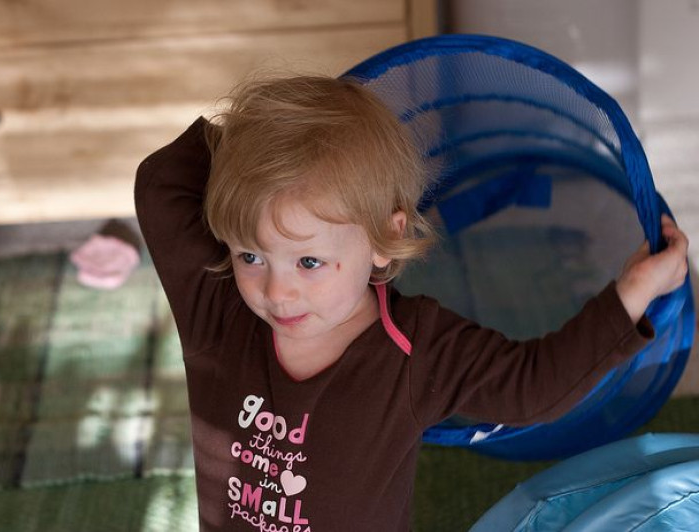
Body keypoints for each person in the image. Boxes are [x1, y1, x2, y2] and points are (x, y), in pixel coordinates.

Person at [134, 75, 689, 532]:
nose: (276, 292)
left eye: (308, 263)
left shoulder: (415, 348)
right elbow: (159, 180)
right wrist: (260, 142)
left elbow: (534, 386)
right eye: (251, 256)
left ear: (381, 238)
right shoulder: (218, 310)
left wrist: (633, 291)